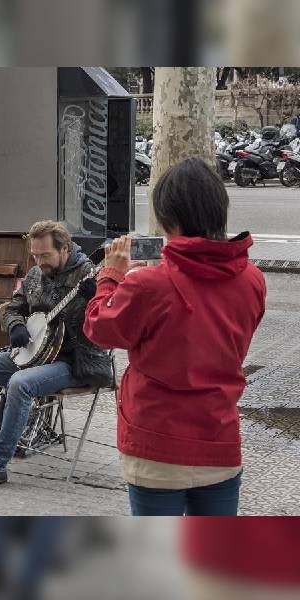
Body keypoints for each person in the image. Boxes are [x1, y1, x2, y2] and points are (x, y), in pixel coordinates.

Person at [82, 156, 266, 516]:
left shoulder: (149, 284)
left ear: (168, 217)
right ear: (219, 210)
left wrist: (112, 277)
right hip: (219, 439)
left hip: (156, 444)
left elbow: (99, 330)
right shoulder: (253, 280)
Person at [0, 221, 113, 488]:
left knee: (19, 384)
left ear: (65, 249)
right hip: (34, 353)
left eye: (45, 255)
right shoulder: (36, 274)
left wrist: (95, 298)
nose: (39, 261)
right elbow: (14, 307)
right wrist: (15, 325)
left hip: (74, 361)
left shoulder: (88, 274)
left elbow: (110, 318)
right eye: (35, 255)